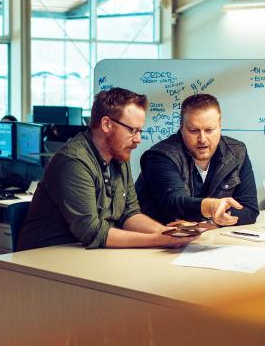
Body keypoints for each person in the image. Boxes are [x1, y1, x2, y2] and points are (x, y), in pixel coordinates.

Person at [17, 88, 193, 251]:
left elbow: (129, 213)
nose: (138, 139)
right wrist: (159, 240)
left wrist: (165, 233)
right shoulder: (73, 161)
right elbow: (93, 232)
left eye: (140, 131)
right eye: (133, 130)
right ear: (107, 124)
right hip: (44, 259)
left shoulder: (119, 156)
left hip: (84, 254)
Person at [136, 93, 258, 227]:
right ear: (181, 127)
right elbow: (175, 204)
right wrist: (212, 208)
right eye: (194, 130)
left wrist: (209, 221)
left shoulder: (237, 152)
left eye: (209, 130)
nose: (202, 139)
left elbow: (249, 210)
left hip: (207, 241)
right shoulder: (160, 156)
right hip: (154, 242)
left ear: (220, 126)